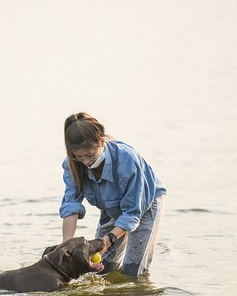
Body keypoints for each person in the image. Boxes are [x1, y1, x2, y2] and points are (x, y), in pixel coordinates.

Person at [59, 112, 167, 277]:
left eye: (89, 155)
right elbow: (70, 206)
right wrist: (67, 246)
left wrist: (108, 240)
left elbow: (132, 212)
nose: (86, 162)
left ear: (101, 141)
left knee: (133, 272)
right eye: (79, 157)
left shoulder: (127, 159)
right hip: (111, 207)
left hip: (144, 205)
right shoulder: (72, 164)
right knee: (100, 269)